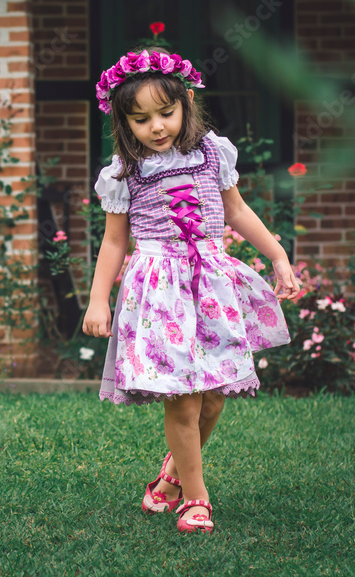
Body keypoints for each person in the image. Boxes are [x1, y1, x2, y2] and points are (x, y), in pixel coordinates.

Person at [82, 45, 301, 534]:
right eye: (141, 120)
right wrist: (99, 299)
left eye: (166, 112)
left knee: (215, 397)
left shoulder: (212, 154)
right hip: (160, 290)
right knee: (183, 398)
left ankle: (170, 477)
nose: (157, 126)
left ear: (184, 105)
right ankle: (195, 501)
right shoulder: (124, 173)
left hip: (209, 282)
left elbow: (239, 212)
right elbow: (115, 241)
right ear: (124, 124)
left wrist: (278, 256)